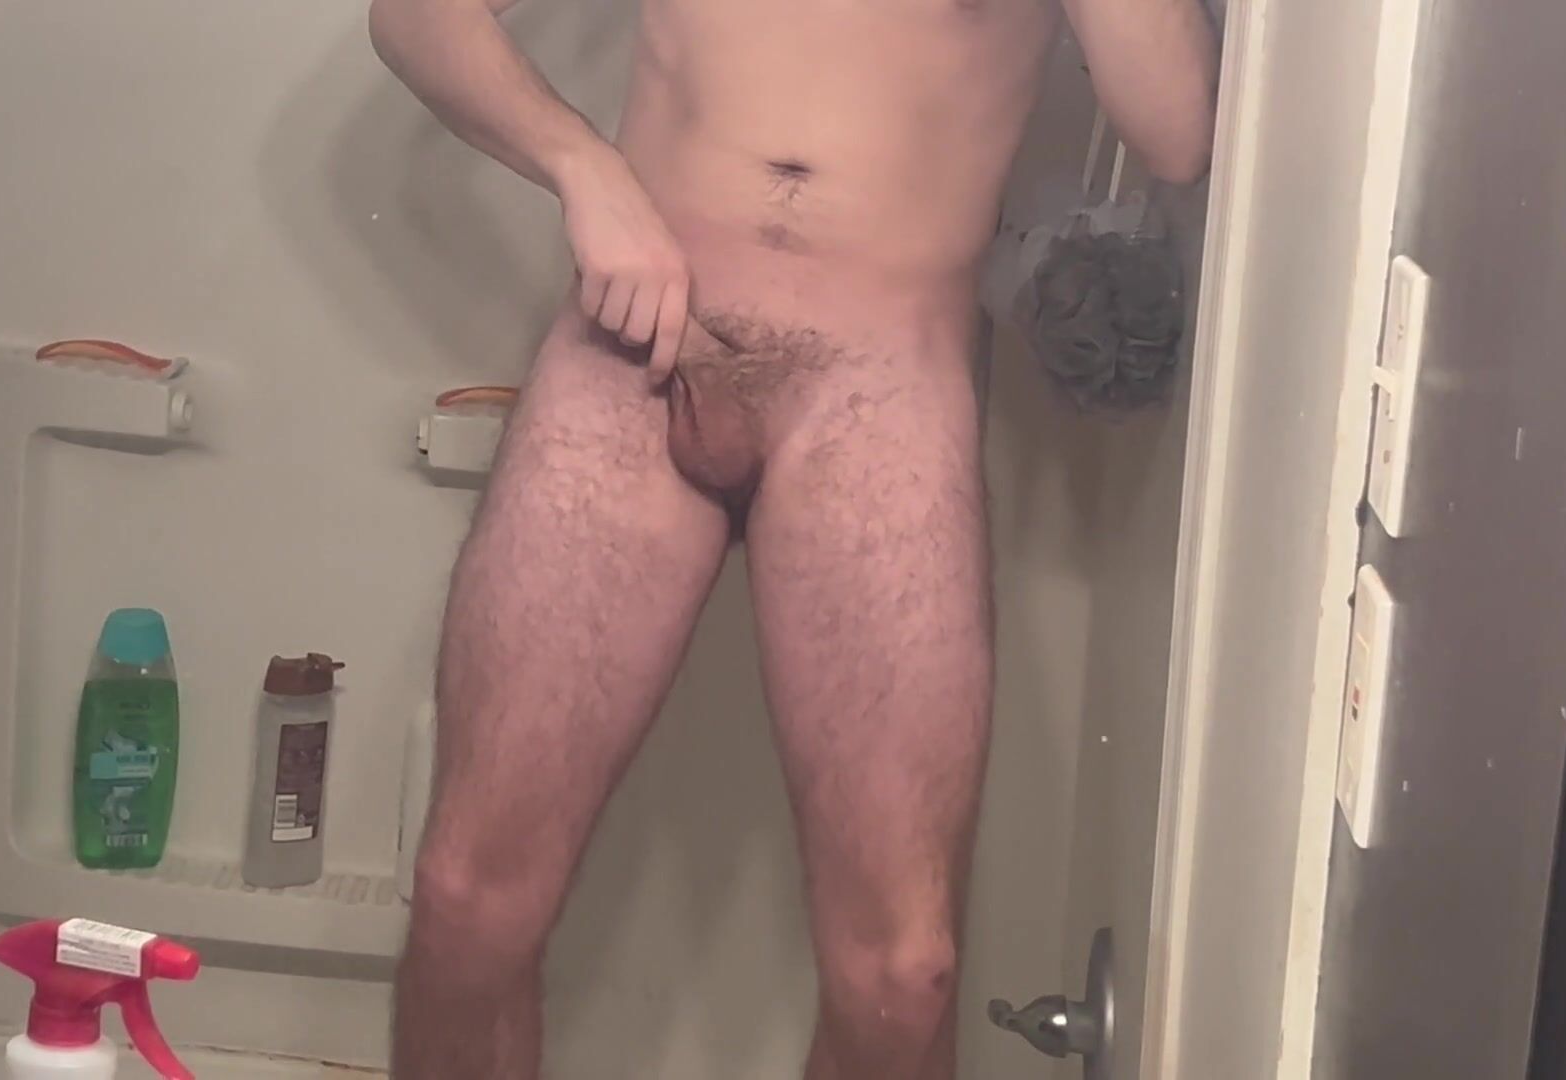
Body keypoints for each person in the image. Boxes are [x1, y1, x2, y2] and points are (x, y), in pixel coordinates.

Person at [368, 0, 1217, 1073]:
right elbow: (414, 17)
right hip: (636, 346)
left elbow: (1176, 128)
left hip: (880, 378)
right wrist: (585, 169)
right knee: (466, 902)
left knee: (902, 977)